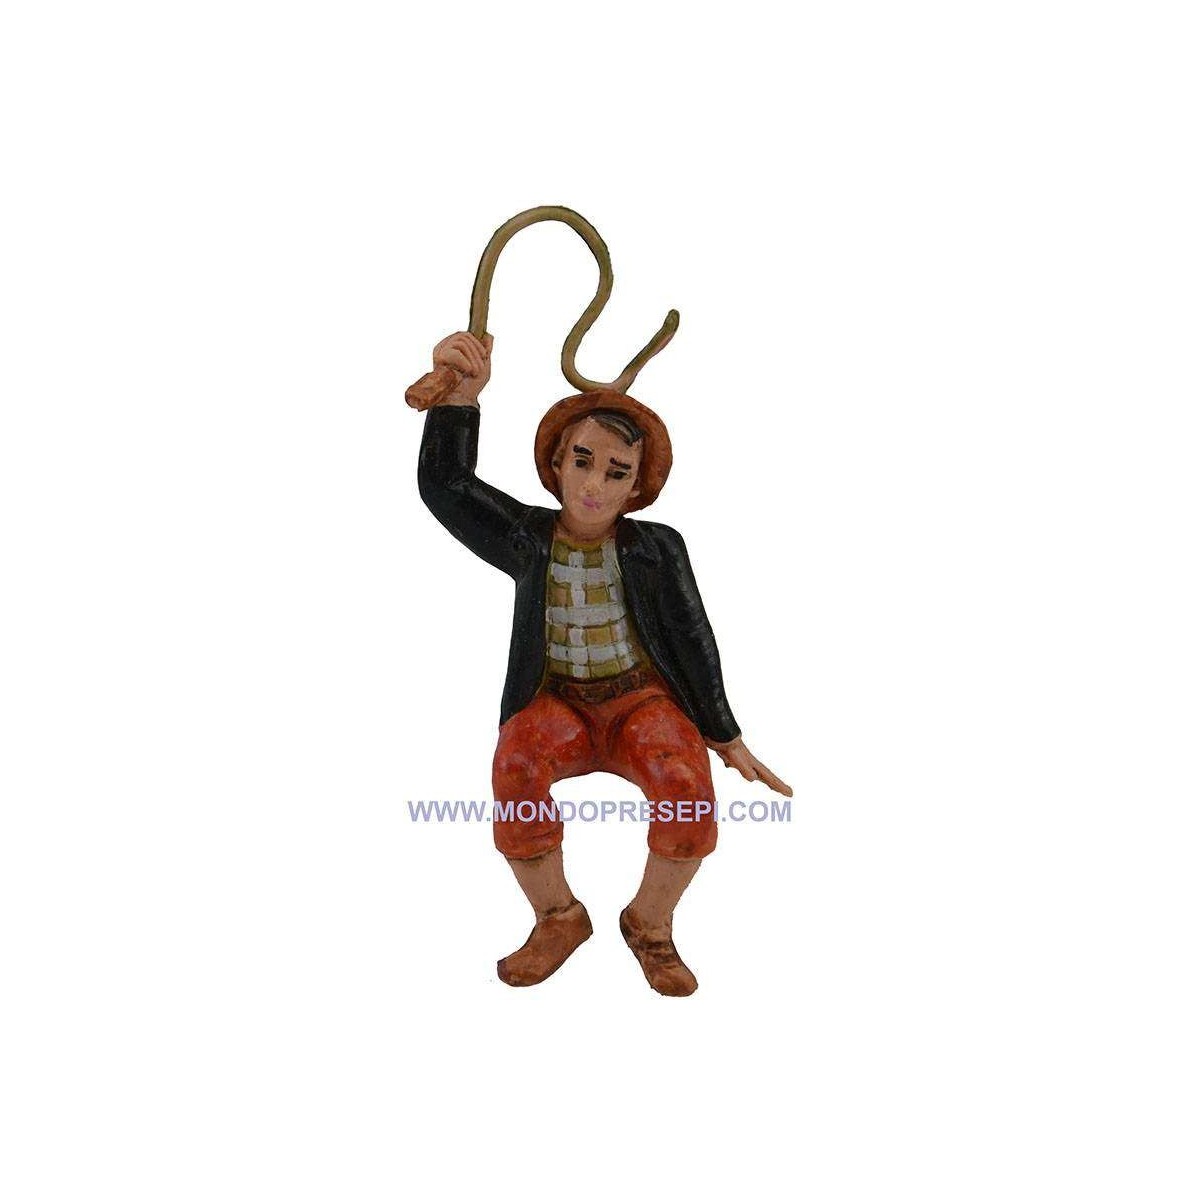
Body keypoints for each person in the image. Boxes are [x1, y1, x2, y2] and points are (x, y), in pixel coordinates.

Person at [416, 331, 791, 996]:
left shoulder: (657, 549)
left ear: (638, 486)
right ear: (556, 462)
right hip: (557, 703)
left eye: (616, 472)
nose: (593, 485)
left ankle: (650, 924)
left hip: (641, 702)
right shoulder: (527, 539)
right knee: (516, 765)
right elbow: (447, 487)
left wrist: (723, 732)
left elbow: (691, 634)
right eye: (582, 462)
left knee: (685, 785)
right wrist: (460, 402)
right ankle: (557, 917)